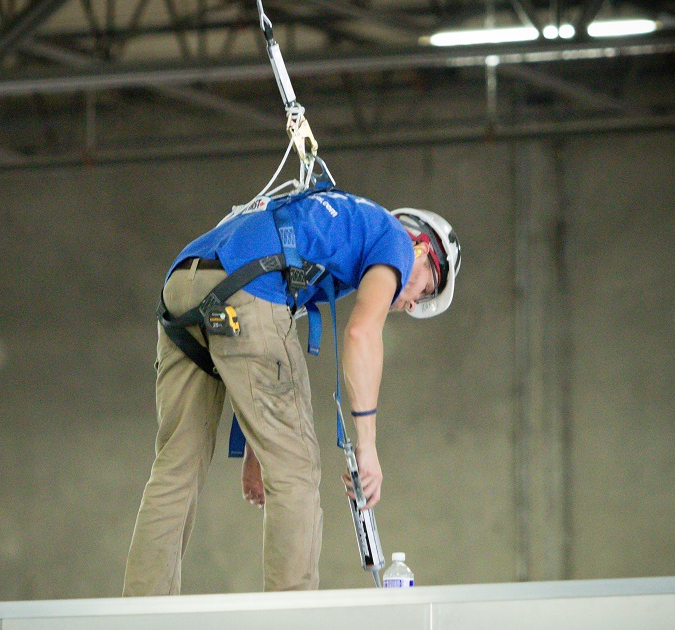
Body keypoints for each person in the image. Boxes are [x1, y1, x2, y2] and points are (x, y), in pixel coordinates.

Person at [122, 184, 461, 595]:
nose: (410, 303)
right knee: (297, 474)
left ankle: (144, 610)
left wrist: (256, 451)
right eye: (426, 288)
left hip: (184, 281)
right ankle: (292, 614)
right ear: (423, 248)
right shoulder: (394, 241)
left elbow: (254, 351)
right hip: (246, 286)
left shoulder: (331, 229)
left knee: (177, 464)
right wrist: (367, 445)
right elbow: (361, 334)